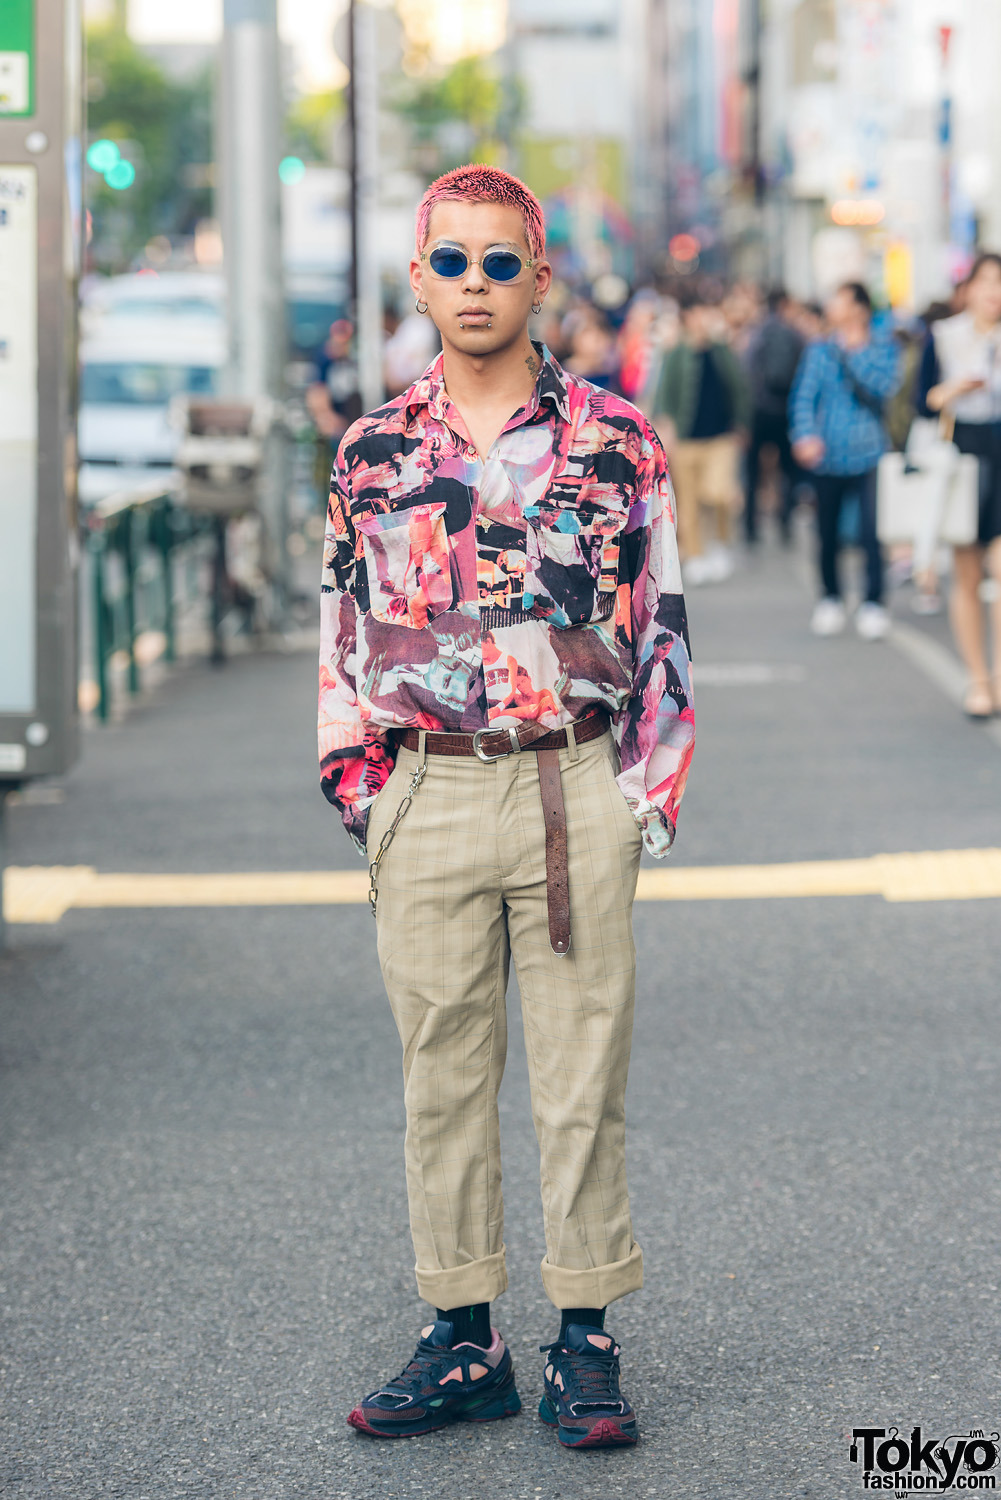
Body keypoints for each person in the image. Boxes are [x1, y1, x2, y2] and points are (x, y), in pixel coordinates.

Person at [318, 165, 695, 1451]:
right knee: (442, 1075)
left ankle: (583, 1336)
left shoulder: (615, 438)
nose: (474, 283)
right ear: (417, 277)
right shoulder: (371, 451)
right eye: (451, 260)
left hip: (571, 784)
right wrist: (364, 792)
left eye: (499, 261)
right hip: (424, 789)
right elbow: (339, 633)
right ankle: (462, 1335)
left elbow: (664, 621)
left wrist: (643, 793)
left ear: (539, 277)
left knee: (581, 1072)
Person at [789, 282, 900, 639]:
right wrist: (804, 435)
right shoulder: (819, 350)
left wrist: (855, 352)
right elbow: (804, 396)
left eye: (840, 300)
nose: (832, 307)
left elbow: (886, 388)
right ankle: (831, 598)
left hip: (870, 453)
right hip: (828, 456)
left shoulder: (883, 346)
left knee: (872, 533)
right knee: (827, 531)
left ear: (859, 308)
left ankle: (874, 602)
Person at [918, 252, 1001, 717]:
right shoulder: (945, 336)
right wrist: (954, 390)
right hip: (962, 456)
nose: (995, 291)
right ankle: (979, 680)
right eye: (987, 281)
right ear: (967, 288)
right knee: (968, 575)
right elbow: (922, 403)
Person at [651, 286, 750, 585]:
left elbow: (739, 389)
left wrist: (742, 423)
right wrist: (665, 430)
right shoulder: (676, 353)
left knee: (718, 493)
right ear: (689, 317)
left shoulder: (721, 351)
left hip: (720, 436)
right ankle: (696, 555)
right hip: (686, 437)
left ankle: (720, 543)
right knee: (689, 501)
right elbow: (664, 395)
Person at [743, 288, 805, 545]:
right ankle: (785, 521)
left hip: (758, 411)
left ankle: (750, 525)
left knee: (752, 472)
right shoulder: (795, 335)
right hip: (785, 410)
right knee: (787, 471)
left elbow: (746, 375)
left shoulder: (755, 335)